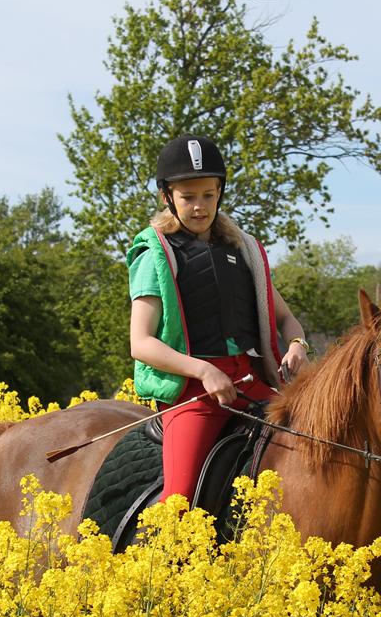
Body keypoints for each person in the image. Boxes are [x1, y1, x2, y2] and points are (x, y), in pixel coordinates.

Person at [126, 134, 311, 503]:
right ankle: (164, 553)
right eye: (188, 197)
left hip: (256, 386)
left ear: (220, 194)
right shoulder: (155, 255)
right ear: (167, 197)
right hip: (194, 394)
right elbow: (141, 343)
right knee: (179, 500)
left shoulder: (243, 252)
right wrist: (204, 371)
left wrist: (297, 345)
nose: (199, 206)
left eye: (208, 195)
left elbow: (287, 319)